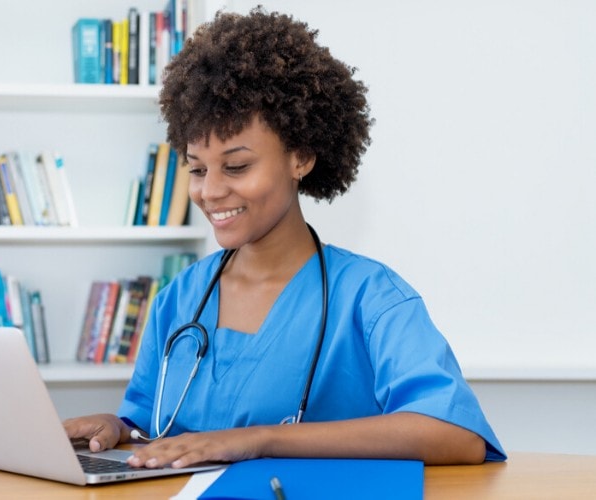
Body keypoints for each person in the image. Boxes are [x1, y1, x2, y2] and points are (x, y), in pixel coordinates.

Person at [64, 7, 506, 468]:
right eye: (197, 169)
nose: (211, 191)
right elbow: (154, 428)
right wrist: (119, 429)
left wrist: (260, 439)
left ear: (301, 157)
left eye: (237, 166)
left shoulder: (371, 299)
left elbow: (455, 435)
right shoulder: (180, 300)